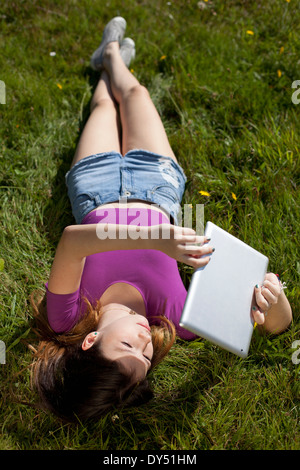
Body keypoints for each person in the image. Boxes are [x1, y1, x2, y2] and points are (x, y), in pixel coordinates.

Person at [31, 17, 293, 423]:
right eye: (146, 359)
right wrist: (277, 306)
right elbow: (272, 327)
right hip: (158, 184)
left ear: (91, 342)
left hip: (95, 185)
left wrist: (155, 238)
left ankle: (110, 57)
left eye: (127, 348)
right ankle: (111, 57)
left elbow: (74, 241)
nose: (144, 343)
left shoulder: (68, 316)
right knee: (135, 92)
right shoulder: (176, 319)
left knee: (104, 105)